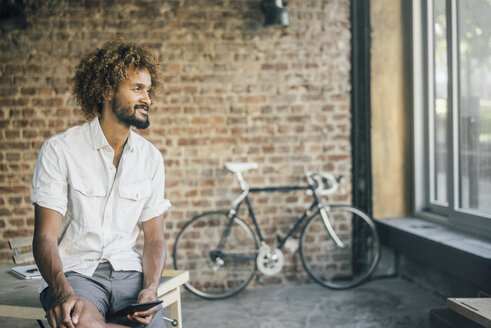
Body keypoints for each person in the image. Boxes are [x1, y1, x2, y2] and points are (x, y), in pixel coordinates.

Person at [31, 37, 171, 328]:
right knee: (80, 323)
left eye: (148, 89)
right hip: (76, 276)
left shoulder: (151, 159)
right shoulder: (60, 150)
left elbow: (155, 238)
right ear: (107, 90)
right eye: (137, 88)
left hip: (130, 276)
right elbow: (45, 237)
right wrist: (62, 291)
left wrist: (150, 288)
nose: (148, 98)